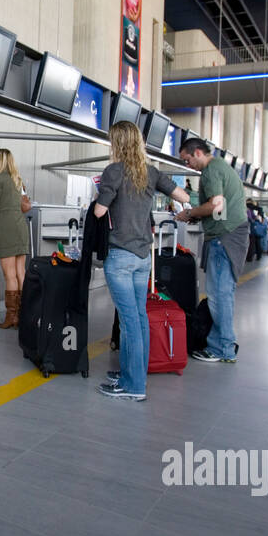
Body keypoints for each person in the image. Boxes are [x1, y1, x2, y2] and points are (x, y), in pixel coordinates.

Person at [94, 120, 190, 400]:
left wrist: (100, 197)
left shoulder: (114, 171)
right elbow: (183, 196)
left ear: (118, 143)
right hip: (143, 257)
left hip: (121, 256)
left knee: (129, 321)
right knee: (138, 317)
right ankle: (131, 372)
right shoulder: (151, 172)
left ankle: (133, 386)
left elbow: (100, 212)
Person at [176, 137, 247, 362]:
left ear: (197, 153)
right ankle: (218, 344)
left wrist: (189, 213)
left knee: (219, 296)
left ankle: (223, 349)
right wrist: (197, 212)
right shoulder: (222, 168)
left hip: (223, 238)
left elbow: (216, 205)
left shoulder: (211, 171)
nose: (188, 166)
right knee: (223, 294)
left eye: (187, 160)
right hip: (232, 234)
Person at [0, 148, 31, 328]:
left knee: (9, 275)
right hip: (21, 227)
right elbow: (26, 204)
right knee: (21, 273)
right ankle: (23, 315)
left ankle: (11, 317)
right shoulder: (18, 180)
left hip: (7, 229)